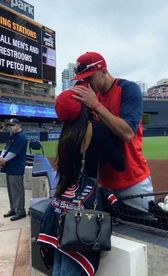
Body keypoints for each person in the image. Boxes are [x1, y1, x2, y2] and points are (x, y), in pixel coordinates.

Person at [37, 89, 125, 276]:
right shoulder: (99, 129)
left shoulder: (65, 135)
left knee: (59, 268)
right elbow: (120, 164)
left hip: (60, 209)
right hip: (82, 216)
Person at [71, 51, 154, 212]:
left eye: (89, 77)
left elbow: (128, 133)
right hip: (103, 183)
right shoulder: (91, 97)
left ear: (103, 71)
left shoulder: (128, 89)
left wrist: (95, 105)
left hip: (133, 181)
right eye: (84, 79)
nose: (87, 83)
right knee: (107, 233)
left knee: (145, 229)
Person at [0, 118, 28, 221]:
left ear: (18, 125)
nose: (10, 127)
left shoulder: (21, 137)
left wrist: (3, 160)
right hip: (9, 167)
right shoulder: (13, 136)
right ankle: (13, 209)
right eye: (9, 125)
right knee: (11, 190)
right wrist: (1, 158)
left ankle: (20, 211)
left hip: (16, 167)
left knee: (17, 190)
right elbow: (6, 148)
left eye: (12, 125)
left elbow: (13, 153)